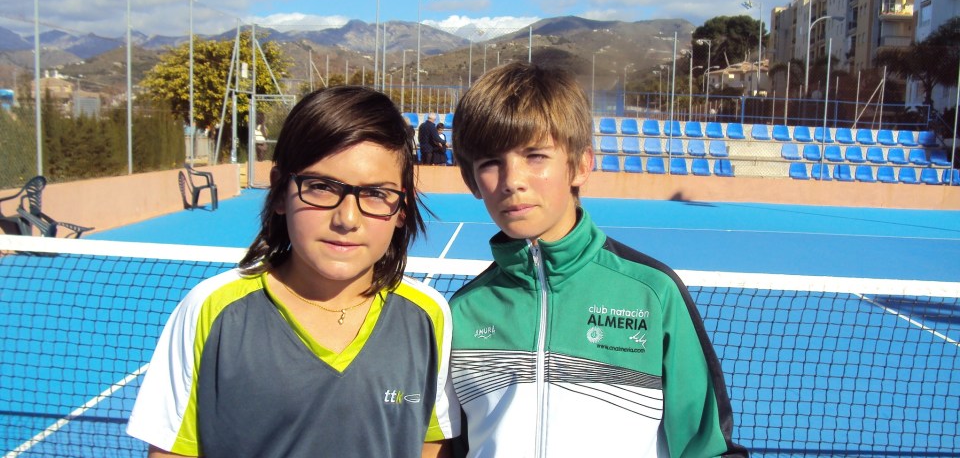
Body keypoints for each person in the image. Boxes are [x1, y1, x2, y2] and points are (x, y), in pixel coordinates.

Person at [127, 86, 460, 458]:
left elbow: (432, 444)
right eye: (319, 187)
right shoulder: (210, 310)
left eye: (376, 194)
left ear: (401, 209)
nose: (347, 219)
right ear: (280, 191)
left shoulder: (429, 315)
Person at [448, 63, 746, 457]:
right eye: (489, 162)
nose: (512, 180)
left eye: (535, 156)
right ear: (472, 180)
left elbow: (705, 446)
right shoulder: (463, 311)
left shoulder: (653, 293)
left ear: (581, 165)